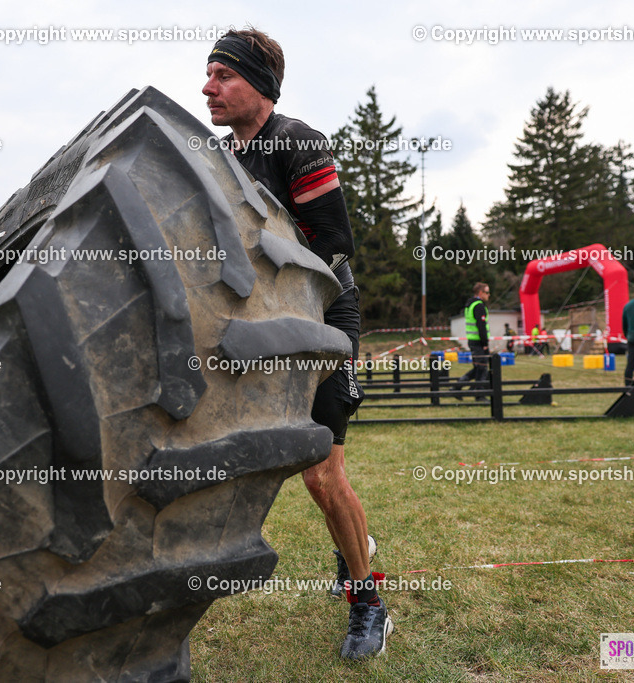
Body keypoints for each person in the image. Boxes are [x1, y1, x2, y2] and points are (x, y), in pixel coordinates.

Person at [203, 28, 389, 660]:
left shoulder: (297, 142)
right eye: (208, 75)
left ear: (261, 85)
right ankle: (355, 551)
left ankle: (368, 601)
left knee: (321, 473)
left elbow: (335, 243)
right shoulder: (216, 154)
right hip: (259, 325)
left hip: (323, 319)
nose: (208, 88)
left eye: (223, 76)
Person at [455, 283, 490, 402]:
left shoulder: (471, 304)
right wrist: (485, 343)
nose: (488, 295)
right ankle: (479, 395)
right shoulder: (479, 306)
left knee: (478, 368)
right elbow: (481, 326)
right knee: (482, 368)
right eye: (486, 292)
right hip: (479, 342)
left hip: (473, 341)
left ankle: (457, 387)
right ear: (480, 293)